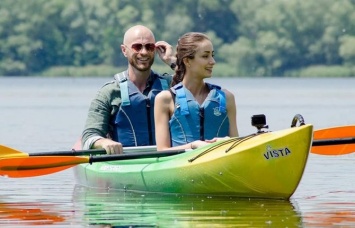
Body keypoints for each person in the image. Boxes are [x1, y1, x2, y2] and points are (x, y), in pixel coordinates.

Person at [82, 25, 176, 154]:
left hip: (168, 160)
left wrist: (172, 61)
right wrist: (104, 142)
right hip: (125, 162)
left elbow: (196, 85)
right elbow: (89, 136)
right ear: (124, 50)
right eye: (137, 47)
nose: (143, 52)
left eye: (149, 47)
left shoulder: (172, 85)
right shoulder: (109, 93)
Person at [154, 32, 239, 151]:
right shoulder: (165, 99)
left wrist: (227, 142)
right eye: (205, 56)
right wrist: (193, 146)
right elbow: (162, 150)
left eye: (212, 55)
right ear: (187, 61)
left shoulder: (227, 98)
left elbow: (237, 146)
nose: (212, 61)